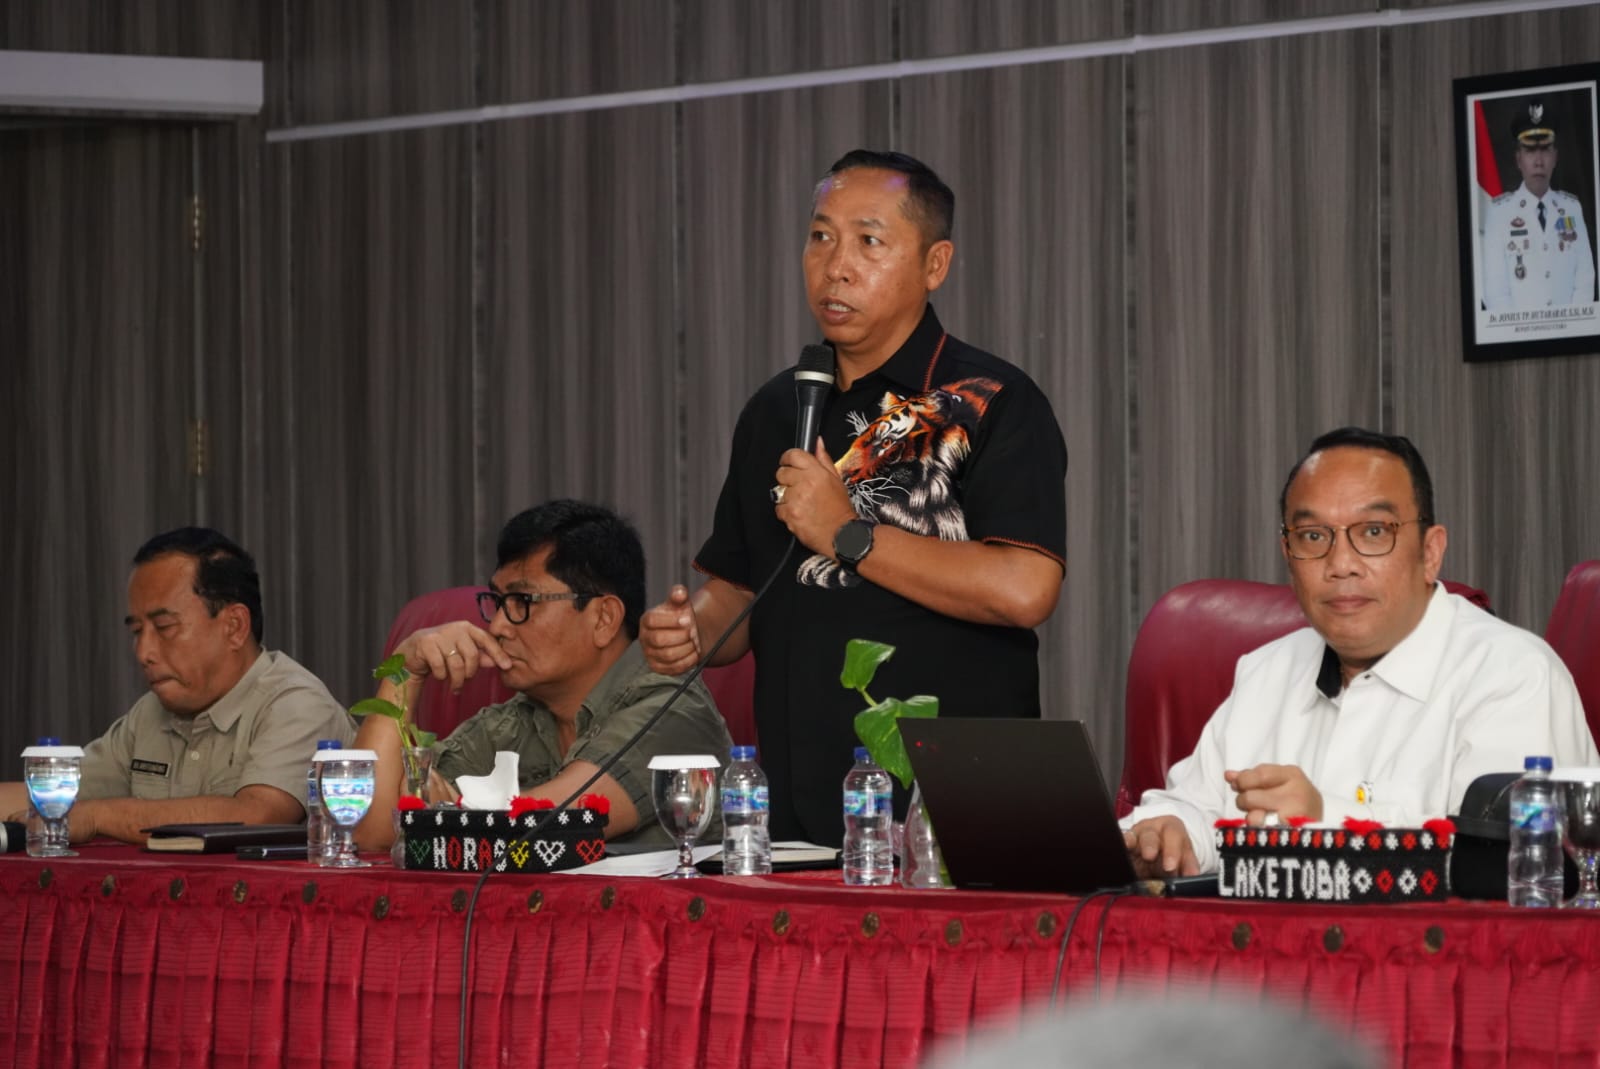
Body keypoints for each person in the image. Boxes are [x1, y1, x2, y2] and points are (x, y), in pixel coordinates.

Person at [640, 150, 1068, 845]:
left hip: (962, 802)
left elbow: (1025, 588)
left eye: (869, 241)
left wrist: (848, 532)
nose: (836, 265)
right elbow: (743, 590)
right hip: (800, 802)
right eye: (821, 237)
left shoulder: (992, 400)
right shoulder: (777, 408)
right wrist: (692, 633)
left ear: (934, 264)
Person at [1122, 427, 1599, 877]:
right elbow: (1197, 807)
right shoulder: (1266, 670)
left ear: (1430, 552)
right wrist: (1168, 834)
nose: (1341, 564)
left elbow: (1501, 862)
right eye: (1313, 536)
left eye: (1374, 532)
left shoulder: (1513, 674)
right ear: (1288, 555)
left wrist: (1323, 820)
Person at [352, 500, 731, 850]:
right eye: (498, 602)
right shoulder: (512, 723)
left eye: (523, 602)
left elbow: (548, 823)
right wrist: (406, 672)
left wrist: (445, 813)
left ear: (604, 618)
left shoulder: (672, 707)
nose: (498, 626)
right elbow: (371, 831)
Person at [0, 527, 355, 844]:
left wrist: (96, 817)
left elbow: (258, 815)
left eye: (164, 628)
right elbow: (51, 796)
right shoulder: (151, 713)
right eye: (137, 631)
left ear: (234, 626)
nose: (143, 652)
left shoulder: (296, 703)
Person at [1481, 98, 1596, 310]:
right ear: (1518, 160)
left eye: (1544, 149)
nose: (1538, 161)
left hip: (1568, 328)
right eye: (1530, 151)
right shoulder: (1500, 213)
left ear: (1555, 157)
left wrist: (1571, 326)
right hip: (1519, 329)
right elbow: (1495, 291)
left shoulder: (1572, 208)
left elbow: (1585, 279)